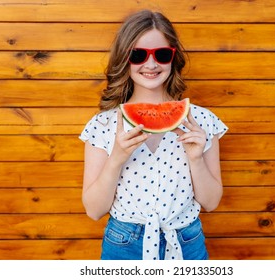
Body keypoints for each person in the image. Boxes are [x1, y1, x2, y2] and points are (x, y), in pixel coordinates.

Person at [79, 10, 228, 260]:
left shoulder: (200, 121)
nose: (150, 64)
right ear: (125, 60)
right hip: (124, 245)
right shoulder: (103, 124)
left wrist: (196, 159)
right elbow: (94, 210)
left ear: (172, 58)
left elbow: (211, 202)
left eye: (161, 54)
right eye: (138, 55)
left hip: (186, 242)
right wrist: (116, 158)